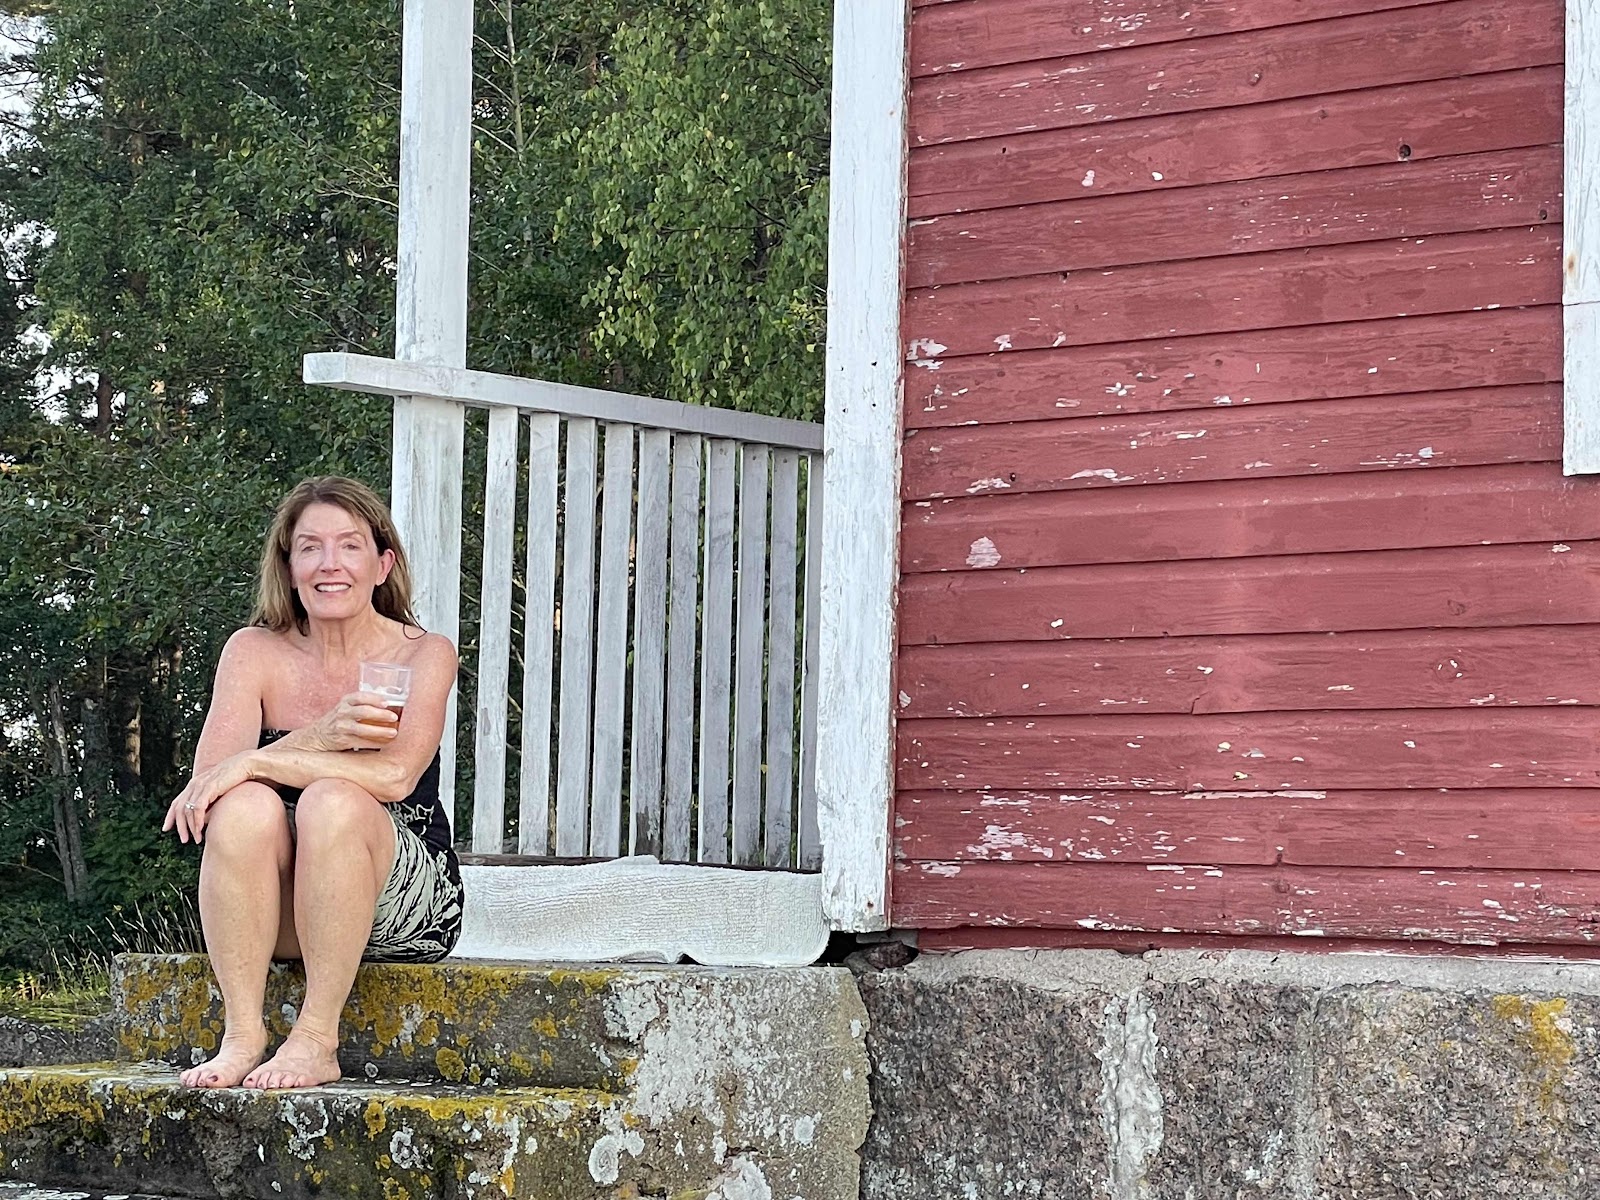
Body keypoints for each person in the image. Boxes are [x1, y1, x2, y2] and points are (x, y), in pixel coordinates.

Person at [163, 476, 463, 1090]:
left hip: (399, 900)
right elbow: (209, 788)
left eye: (350, 546)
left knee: (332, 800)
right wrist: (319, 736)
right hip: (283, 906)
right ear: (288, 567)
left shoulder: (422, 653)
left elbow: (395, 775)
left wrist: (258, 761)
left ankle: (316, 1040)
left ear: (382, 565)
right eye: (310, 547)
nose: (330, 564)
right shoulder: (252, 651)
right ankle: (242, 1035)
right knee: (241, 807)